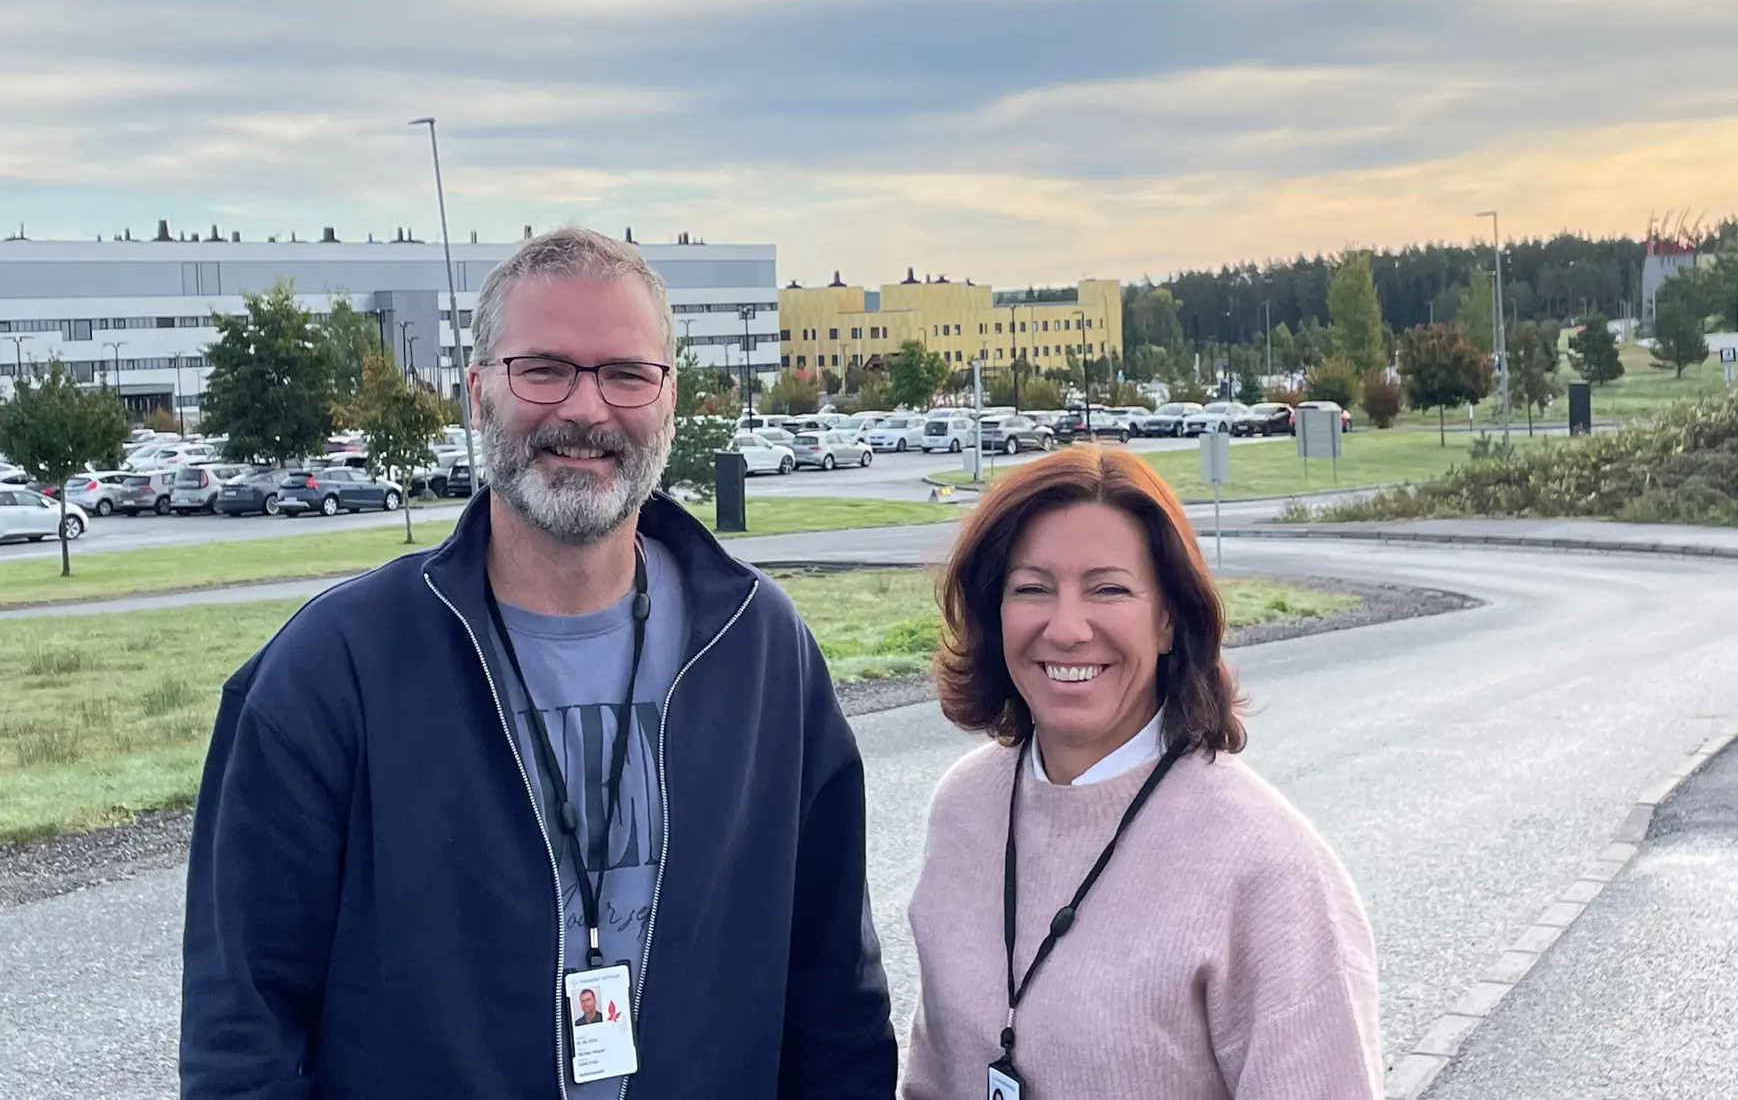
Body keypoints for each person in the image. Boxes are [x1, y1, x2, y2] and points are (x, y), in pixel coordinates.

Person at [182, 227, 897, 1099]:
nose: (587, 410)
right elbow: (242, 1037)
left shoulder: (759, 649)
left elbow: (836, 1005)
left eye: (626, 373)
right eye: (545, 368)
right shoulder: (330, 675)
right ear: (478, 391)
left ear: (669, 400)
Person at [901, 446, 1382, 1100]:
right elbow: (932, 1080)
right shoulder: (964, 809)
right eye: (1032, 588)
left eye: (1108, 588)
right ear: (996, 612)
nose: (1066, 628)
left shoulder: (1268, 868)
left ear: (1167, 620)